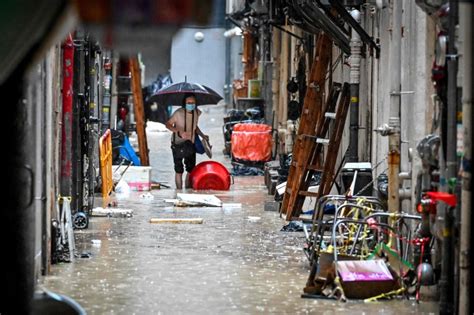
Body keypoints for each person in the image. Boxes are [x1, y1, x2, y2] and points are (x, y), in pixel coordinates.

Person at [165, 93, 209, 189]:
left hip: (191, 144)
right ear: (184, 103)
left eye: (193, 102)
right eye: (188, 102)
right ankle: (179, 192)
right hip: (178, 144)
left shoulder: (197, 113)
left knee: (191, 169)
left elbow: (195, 126)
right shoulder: (178, 113)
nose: (191, 104)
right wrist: (178, 131)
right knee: (179, 170)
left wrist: (202, 135)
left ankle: (188, 191)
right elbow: (168, 124)